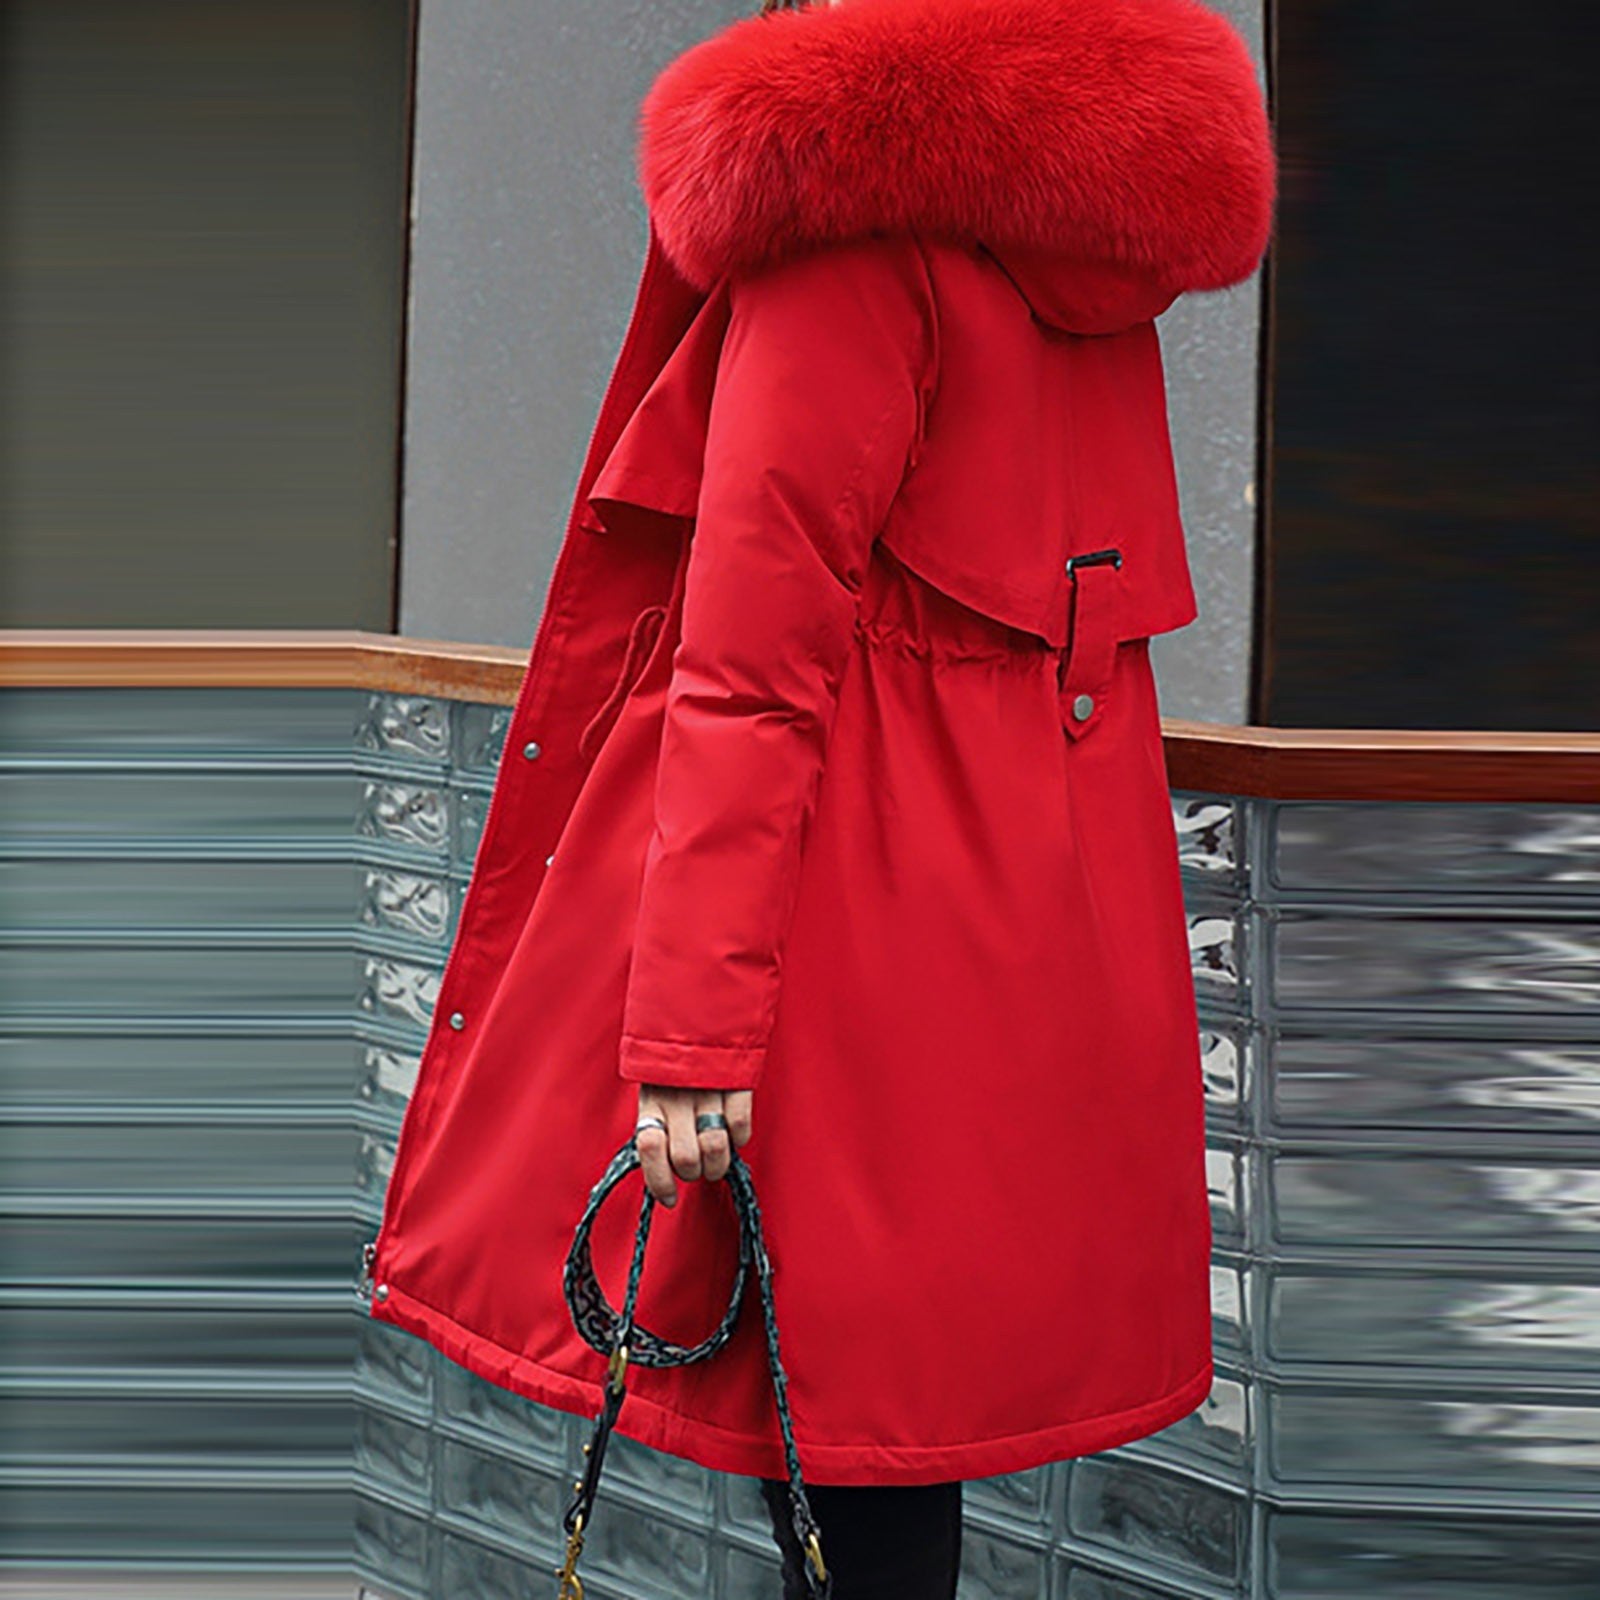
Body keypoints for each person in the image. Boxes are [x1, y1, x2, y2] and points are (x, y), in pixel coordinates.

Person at [365, 1, 1276, 1594]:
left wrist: (685, 1039)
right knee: (889, 1450)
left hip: (836, 943)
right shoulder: (1090, 253)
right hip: (1035, 940)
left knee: (835, 1436)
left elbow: (748, 670)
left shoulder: (843, 239)